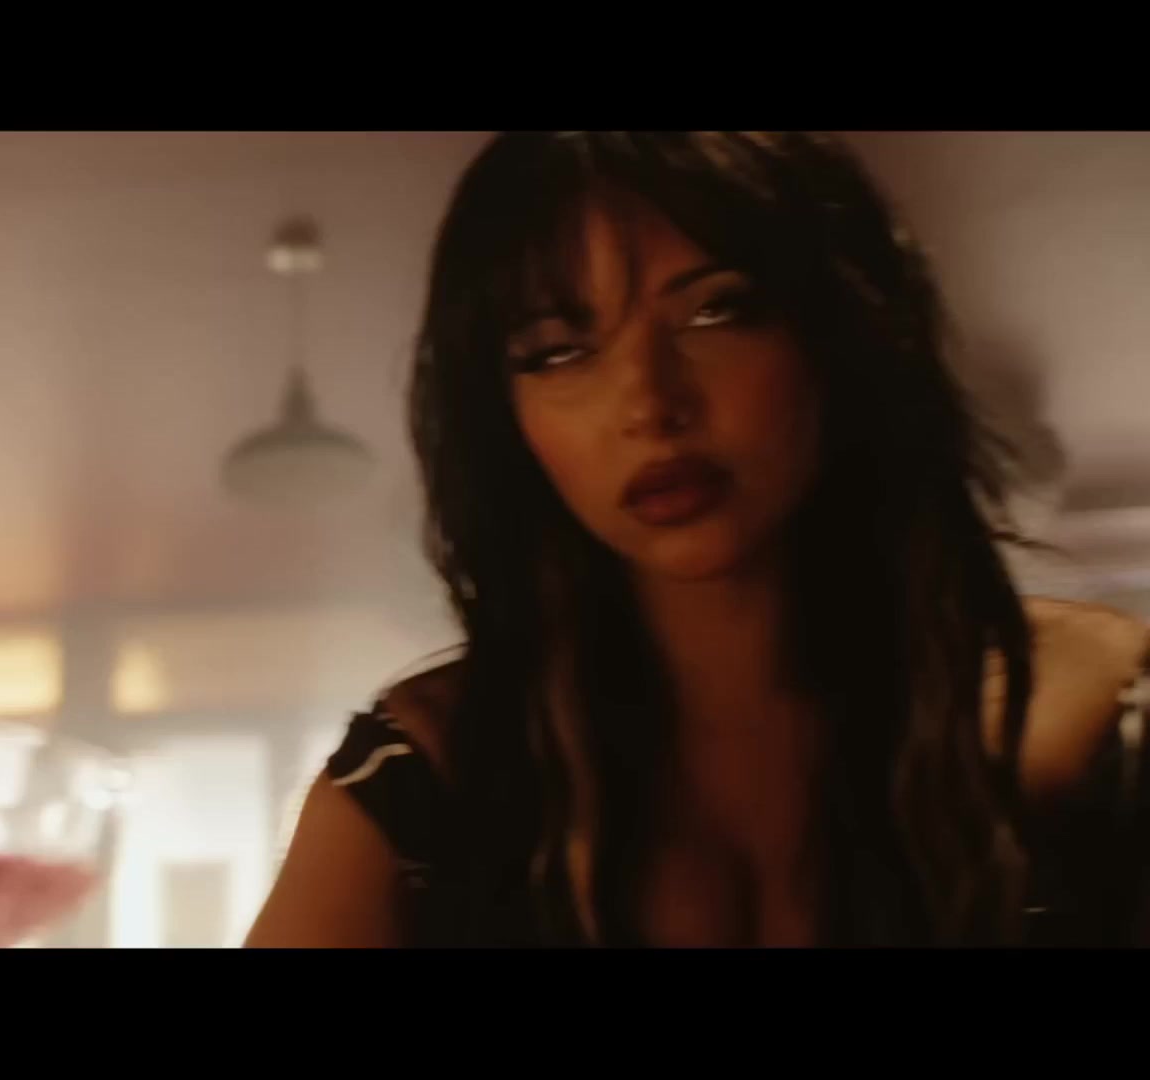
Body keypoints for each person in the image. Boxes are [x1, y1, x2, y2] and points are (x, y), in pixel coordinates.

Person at [247, 132, 1148, 948]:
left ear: (837, 333)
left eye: (717, 311)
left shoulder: (1089, 717)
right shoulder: (429, 786)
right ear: (506, 416)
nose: (649, 402)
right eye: (560, 351)